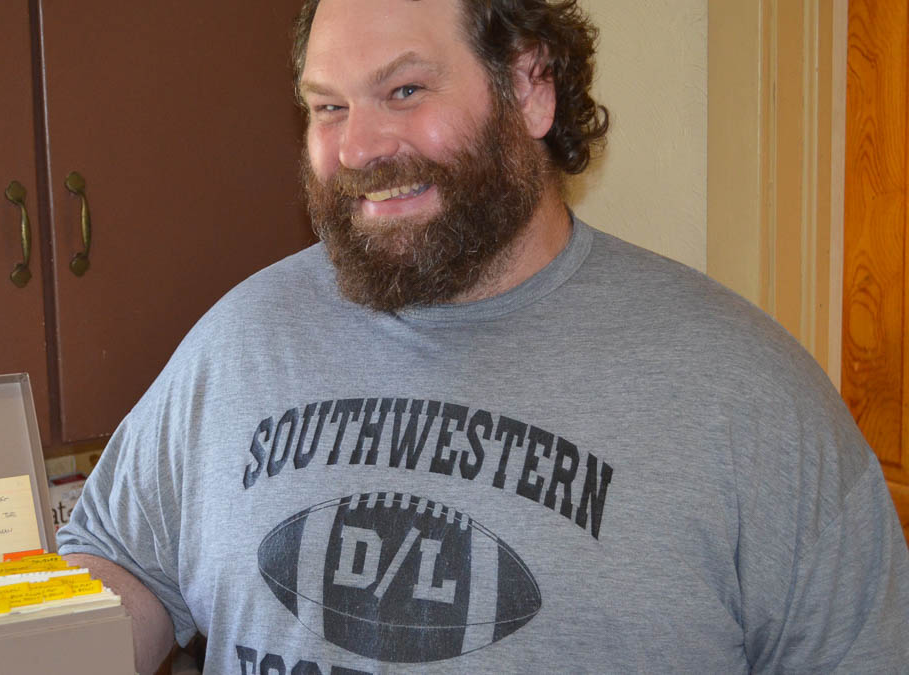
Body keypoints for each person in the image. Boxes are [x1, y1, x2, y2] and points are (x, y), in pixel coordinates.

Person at [58, 0, 909, 672]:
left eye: (405, 91)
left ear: (531, 86)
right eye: (328, 106)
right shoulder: (239, 340)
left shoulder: (745, 392)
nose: (356, 146)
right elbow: (119, 563)